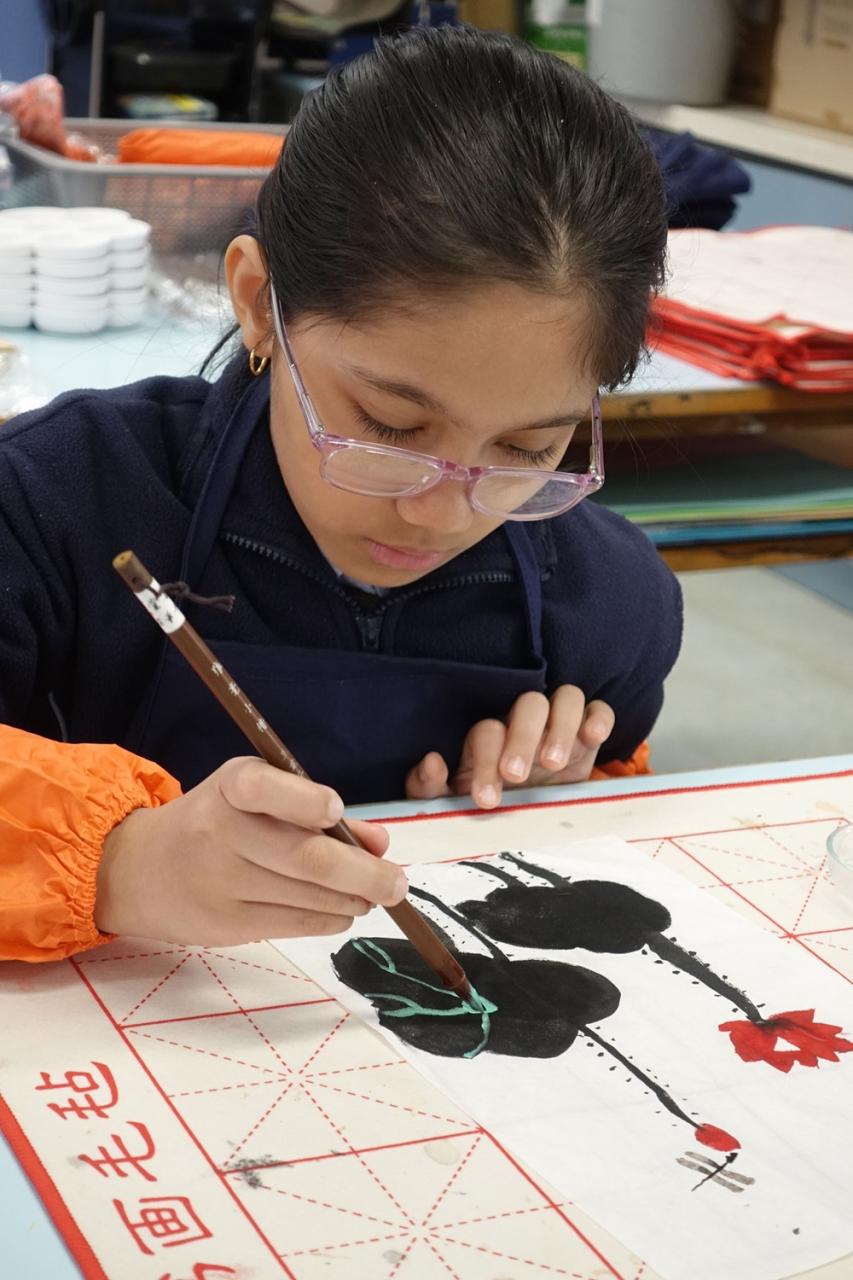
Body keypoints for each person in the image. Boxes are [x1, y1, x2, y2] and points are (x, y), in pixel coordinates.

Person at [0, 25, 681, 964]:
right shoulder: (54, 499)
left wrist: (563, 804)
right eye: (390, 427)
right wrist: (115, 862)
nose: (442, 511)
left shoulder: (607, 607)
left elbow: (637, 820)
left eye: (527, 447)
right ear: (258, 303)